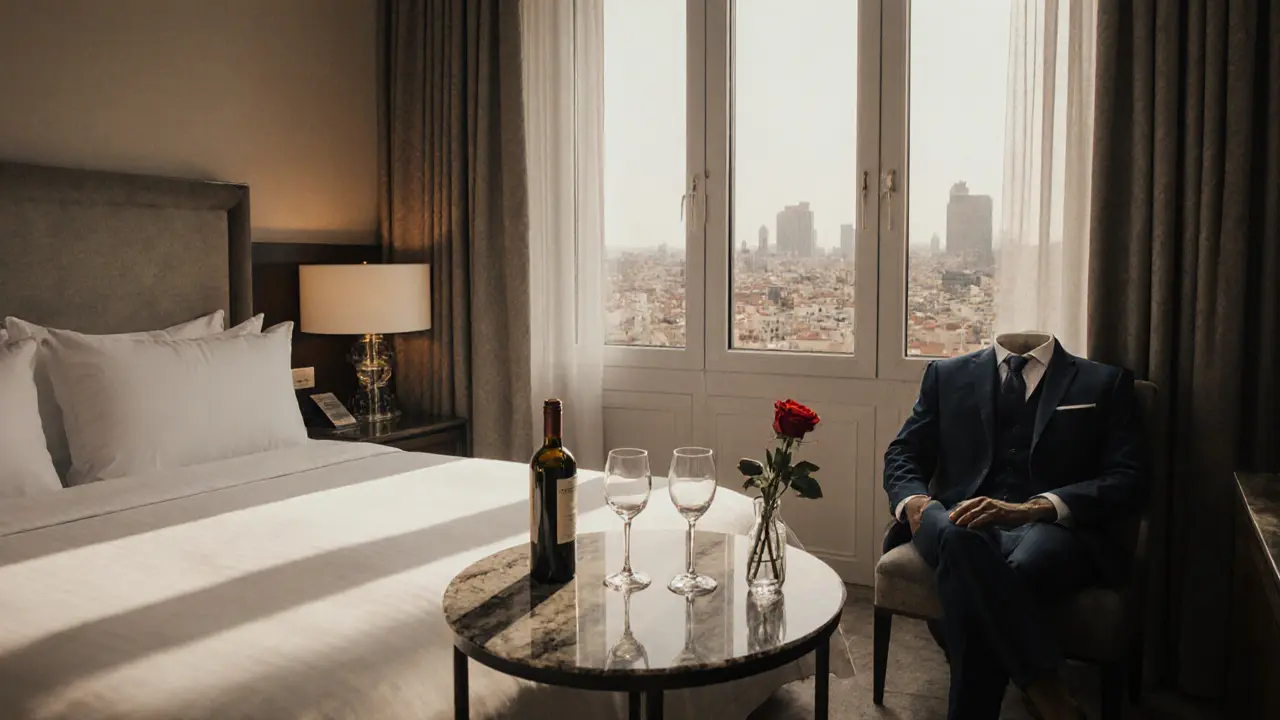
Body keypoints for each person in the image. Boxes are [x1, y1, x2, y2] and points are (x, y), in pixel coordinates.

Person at [883, 332, 1145, 720]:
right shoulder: (945, 375)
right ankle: (1047, 690)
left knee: (989, 572)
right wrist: (913, 499)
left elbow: (1127, 478)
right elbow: (903, 451)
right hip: (954, 515)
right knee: (957, 537)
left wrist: (1033, 508)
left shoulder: (1104, 382)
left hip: (1049, 526)